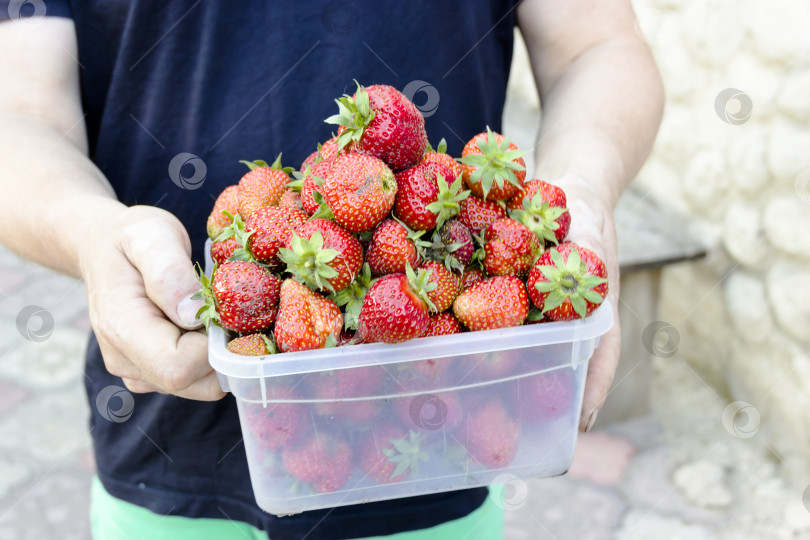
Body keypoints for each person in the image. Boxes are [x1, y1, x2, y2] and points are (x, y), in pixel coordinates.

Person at [0, 0, 663, 538]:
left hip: (435, 436)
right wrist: (93, 231)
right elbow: (20, 115)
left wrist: (585, 187)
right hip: (165, 447)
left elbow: (596, 42)